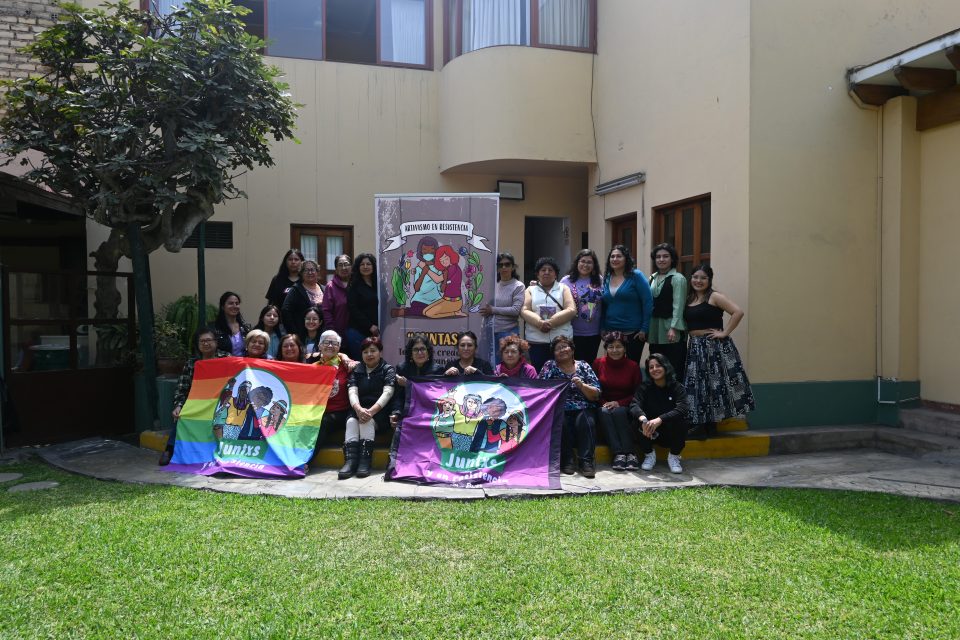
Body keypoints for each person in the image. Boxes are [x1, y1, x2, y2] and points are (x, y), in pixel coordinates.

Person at [683, 265, 755, 438]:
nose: (698, 281)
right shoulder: (689, 298)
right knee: (699, 385)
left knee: (714, 385)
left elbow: (738, 312)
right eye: (695, 277)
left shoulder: (714, 296)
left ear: (709, 280)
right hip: (695, 346)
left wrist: (724, 332)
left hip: (713, 347)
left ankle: (707, 425)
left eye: (703, 278)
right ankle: (706, 424)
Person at [160, 328, 229, 465]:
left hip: (219, 403)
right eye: (202, 341)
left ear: (216, 342)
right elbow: (182, 388)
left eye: (208, 340)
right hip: (197, 403)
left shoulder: (227, 359)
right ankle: (170, 449)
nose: (205, 344)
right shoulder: (192, 363)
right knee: (182, 416)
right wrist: (179, 406)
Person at [538, 335, 601, 478]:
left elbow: (596, 394)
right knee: (561, 421)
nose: (562, 350)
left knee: (586, 421)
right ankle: (567, 459)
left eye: (565, 346)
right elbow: (540, 389)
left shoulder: (583, 365)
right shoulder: (549, 366)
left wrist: (582, 385)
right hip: (558, 407)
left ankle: (586, 461)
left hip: (583, 405)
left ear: (572, 350)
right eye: (558, 348)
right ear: (554, 353)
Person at [387, 334, 444, 474]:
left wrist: (408, 385)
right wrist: (396, 413)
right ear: (410, 353)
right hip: (410, 412)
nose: (420, 353)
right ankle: (396, 465)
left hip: (430, 413)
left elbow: (434, 397)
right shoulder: (402, 368)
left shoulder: (437, 370)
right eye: (416, 349)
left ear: (428, 352)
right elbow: (398, 397)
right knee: (401, 427)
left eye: (423, 349)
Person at [340, 337, 396, 480]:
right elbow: (352, 391)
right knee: (351, 421)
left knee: (366, 422)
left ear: (380, 352)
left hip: (380, 413)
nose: (369, 354)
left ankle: (365, 462)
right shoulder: (356, 370)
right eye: (365, 352)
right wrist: (358, 409)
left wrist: (371, 412)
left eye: (373, 351)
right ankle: (350, 462)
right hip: (358, 409)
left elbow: (388, 393)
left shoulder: (388, 369)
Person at [630, 353, 690, 473]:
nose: (654, 369)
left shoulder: (676, 387)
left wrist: (660, 419)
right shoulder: (644, 387)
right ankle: (649, 454)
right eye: (651, 367)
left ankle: (674, 456)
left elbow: (683, 408)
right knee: (636, 421)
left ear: (665, 366)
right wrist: (644, 420)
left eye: (658, 365)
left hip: (669, 430)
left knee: (682, 421)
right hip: (649, 431)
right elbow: (634, 405)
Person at [305, 331, 356, 467]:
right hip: (316, 411)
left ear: (339, 347)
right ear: (319, 346)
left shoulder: (347, 365)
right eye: (326, 342)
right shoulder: (313, 368)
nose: (330, 345)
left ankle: (306, 462)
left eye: (334, 343)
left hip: (339, 412)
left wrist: (345, 358)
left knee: (324, 421)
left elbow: (362, 365)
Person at [593, 332, 643, 471]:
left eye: (619, 346)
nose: (615, 350)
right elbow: (594, 388)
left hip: (627, 405)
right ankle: (618, 454)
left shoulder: (633, 366)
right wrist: (604, 402)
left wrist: (619, 403)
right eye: (611, 347)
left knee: (619, 411)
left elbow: (638, 393)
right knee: (604, 411)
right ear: (606, 349)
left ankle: (630, 452)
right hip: (603, 404)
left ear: (625, 348)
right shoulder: (598, 363)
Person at [521, 256, 577, 371]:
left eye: (550, 270)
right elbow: (524, 310)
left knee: (563, 372)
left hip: (561, 341)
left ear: (556, 274)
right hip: (536, 341)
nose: (546, 272)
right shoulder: (530, 290)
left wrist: (551, 323)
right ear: (537, 274)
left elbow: (571, 309)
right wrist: (539, 323)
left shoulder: (564, 288)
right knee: (540, 372)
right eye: (543, 270)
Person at [601, 245, 653, 364]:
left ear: (626, 259)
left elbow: (648, 302)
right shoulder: (607, 277)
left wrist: (644, 328)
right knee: (614, 366)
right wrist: (602, 327)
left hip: (634, 333)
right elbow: (604, 305)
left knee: (632, 367)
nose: (615, 259)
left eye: (619, 256)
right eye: (612, 256)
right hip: (611, 332)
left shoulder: (636, 276)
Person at [648, 243, 688, 377]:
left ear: (672, 259)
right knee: (657, 367)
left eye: (665, 256)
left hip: (671, 329)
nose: (661, 259)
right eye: (658, 257)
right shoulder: (652, 278)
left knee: (674, 368)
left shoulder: (678, 279)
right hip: (654, 329)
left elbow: (679, 305)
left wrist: (674, 327)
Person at [561, 249, 604, 363]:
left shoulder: (599, 280)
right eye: (582, 261)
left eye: (589, 262)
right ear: (577, 263)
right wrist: (537, 285)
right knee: (574, 364)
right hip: (572, 331)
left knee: (589, 363)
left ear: (594, 265)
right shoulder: (566, 280)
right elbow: (555, 296)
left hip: (594, 332)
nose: (585, 265)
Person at [480, 252, 525, 362]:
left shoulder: (518, 286)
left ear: (513, 267)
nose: (504, 267)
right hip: (490, 332)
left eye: (507, 264)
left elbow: (515, 310)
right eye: (500, 265)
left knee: (508, 365)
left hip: (508, 332)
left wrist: (492, 310)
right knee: (491, 364)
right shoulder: (492, 286)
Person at [345, 253, 379, 359]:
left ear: (373, 266)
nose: (365, 267)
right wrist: (370, 326)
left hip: (376, 333)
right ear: (358, 267)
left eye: (368, 264)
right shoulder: (353, 285)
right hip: (357, 332)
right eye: (362, 264)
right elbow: (353, 309)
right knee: (360, 363)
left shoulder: (378, 285)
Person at [281, 259, 324, 339]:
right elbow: (285, 310)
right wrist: (294, 332)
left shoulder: (324, 289)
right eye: (306, 270)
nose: (310, 273)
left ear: (317, 272)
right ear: (301, 273)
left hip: (322, 334)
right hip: (302, 336)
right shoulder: (296, 290)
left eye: (312, 270)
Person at [423, 245, 467, 318]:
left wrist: (426, 270)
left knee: (429, 314)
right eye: (441, 261)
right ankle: (455, 311)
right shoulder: (447, 269)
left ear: (451, 256)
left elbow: (437, 279)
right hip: (446, 299)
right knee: (424, 312)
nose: (444, 262)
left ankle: (455, 313)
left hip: (454, 302)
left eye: (446, 258)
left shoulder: (453, 268)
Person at [406, 236, 443, 316]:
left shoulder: (439, 268)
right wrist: (423, 273)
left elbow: (441, 289)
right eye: (425, 250)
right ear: (421, 252)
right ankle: (425, 312)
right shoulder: (419, 268)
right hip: (420, 300)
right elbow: (416, 288)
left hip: (436, 300)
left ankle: (422, 312)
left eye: (432, 250)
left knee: (442, 308)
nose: (428, 253)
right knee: (417, 308)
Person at [322, 254, 352, 337]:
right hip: (337, 333)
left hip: (357, 332)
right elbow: (326, 311)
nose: (343, 268)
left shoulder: (357, 284)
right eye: (340, 265)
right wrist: (332, 331)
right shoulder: (330, 286)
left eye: (346, 264)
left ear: (351, 267)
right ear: (336, 269)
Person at [212, 291, 250, 356]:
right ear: (222, 307)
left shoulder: (246, 328)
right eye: (231, 303)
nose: (234, 306)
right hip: (223, 361)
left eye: (237, 303)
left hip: (244, 362)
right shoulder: (214, 328)